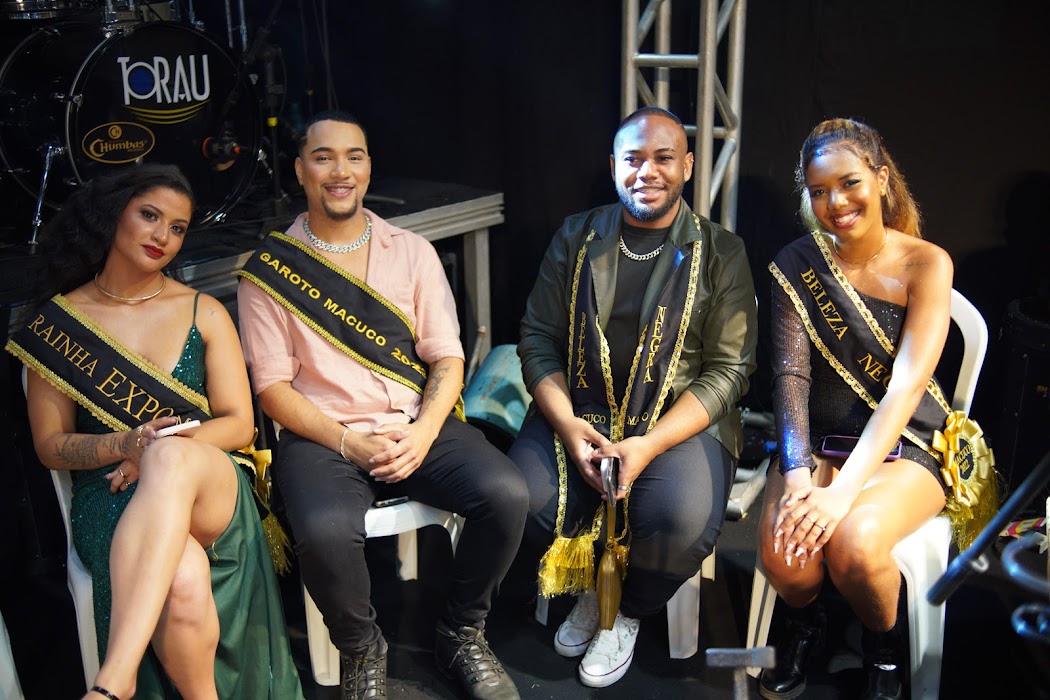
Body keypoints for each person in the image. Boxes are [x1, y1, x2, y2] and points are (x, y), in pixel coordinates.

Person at [237, 110, 528, 700]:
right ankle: (362, 650)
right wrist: (349, 442)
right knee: (322, 530)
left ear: (369, 168)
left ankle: (461, 632)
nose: (340, 171)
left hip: (415, 423)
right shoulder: (268, 271)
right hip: (323, 435)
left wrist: (423, 432)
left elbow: (447, 358)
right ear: (300, 170)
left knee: (507, 494)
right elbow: (272, 390)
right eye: (323, 158)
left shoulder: (412, 251)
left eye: (354, 156)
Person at [6, 165, 304, 700]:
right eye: (149, 216)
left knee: (167, 457)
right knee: (182, 581)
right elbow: (50, 447)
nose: (162, 235)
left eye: (178, 228)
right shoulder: (58, 325)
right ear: (111, 215)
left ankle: (112, 682)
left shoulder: (203, 311)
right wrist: (124, 445)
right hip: (110, 493)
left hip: (210, 487)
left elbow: (239, 423)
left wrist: (152, 450)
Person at [508, 106, 758, 688]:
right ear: (614, 166)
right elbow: (537, 338)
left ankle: (624, 608)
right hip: (582, 411)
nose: (648, 171)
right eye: (633, 158)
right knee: (521, 499)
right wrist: (568, 426)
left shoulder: (722, 252)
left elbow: (729, 371)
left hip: (677, 424)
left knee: (678, 517)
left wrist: (647, 445)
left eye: (663, 157)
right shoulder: (577, 236)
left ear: (687, 166)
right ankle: (591, 586)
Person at [756, 118, 970, 700]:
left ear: (881, 179)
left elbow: (906, 388)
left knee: (855, 541)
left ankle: (884, 648)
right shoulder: (796, 262)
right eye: (819, 191)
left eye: (849, 183)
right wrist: (798, 475)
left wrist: (842, 492)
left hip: (907, 442)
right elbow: (790, 377)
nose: (836, 203)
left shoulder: (928, 263)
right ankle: (806, 623)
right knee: (785, 556)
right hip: (817, 441)